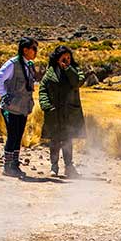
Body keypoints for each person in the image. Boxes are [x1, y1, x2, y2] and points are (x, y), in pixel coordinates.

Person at [0, 37, 41, 178]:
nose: (35, 52)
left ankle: (14, 165)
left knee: (18, 135)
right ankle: (8, 166)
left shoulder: (29, 65)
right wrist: (5, 96)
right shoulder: (12, 64)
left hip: (23, 107)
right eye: (33, 48)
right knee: (12, 135)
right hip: (11, 107)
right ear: (25, 50)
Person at [38, 45, 86, 178]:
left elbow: (78, 82)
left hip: (69, 113)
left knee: (67, 140)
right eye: (63, 58)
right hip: (54, 112)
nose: (66, 60)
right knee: (54, 140)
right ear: (57, 58)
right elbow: (43, 90)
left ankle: (69, 167)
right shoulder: (50, 72)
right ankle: (54, 166)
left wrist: (68, 69)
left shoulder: (75, 70)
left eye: (68, 58)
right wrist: (46, 105)